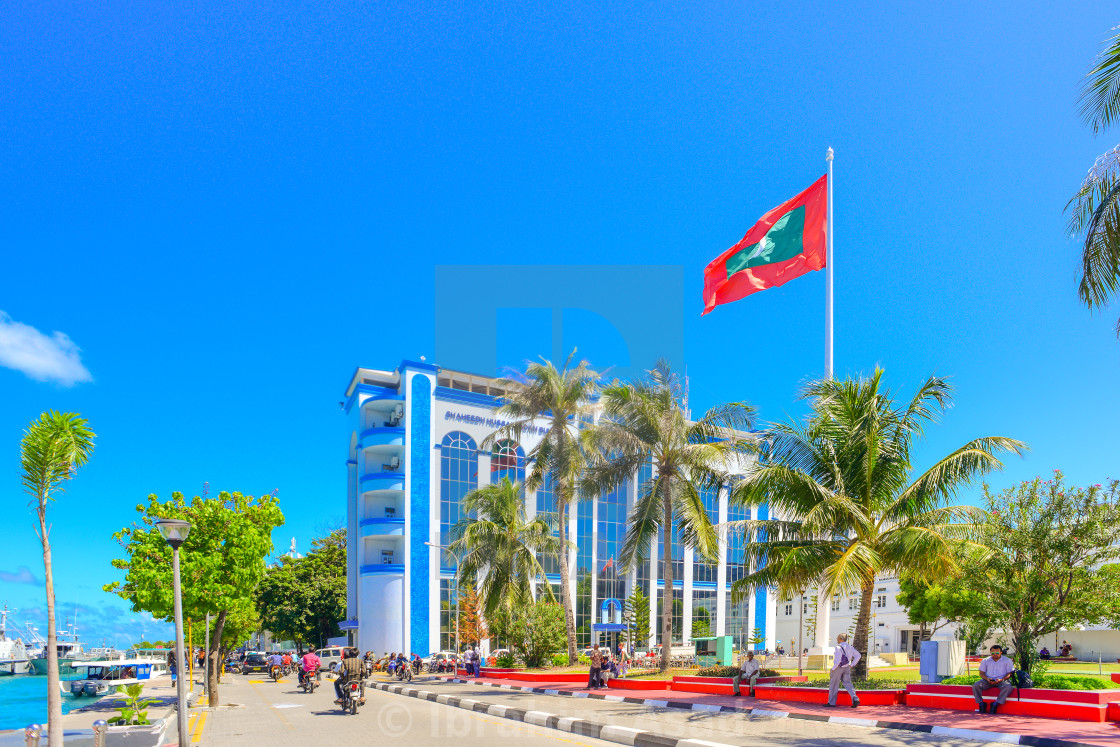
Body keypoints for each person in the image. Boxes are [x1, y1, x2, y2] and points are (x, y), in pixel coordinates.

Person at [972, 644, 1015, 714]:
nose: (995, 654)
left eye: (997, 652)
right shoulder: (985, 660)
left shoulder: (1007, 660)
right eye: (993, 652)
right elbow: (981, 673)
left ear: (1001, 652)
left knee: (1008, 687)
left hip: (1002, 681)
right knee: (976, 685)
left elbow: (1009, 673)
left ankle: (996, 703)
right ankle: (981, 703)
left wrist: (1001, 679)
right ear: (990, 653)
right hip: (988, 680)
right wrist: (987, 679)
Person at [825, 633, 861, 708]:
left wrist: (833, 668)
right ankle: (855, 699)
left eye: (837, 638)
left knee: (834, 685)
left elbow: (838, 661)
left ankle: (831, 703)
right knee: (848, 684)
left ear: (841, 639)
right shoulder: (850, 647)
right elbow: (858, 655)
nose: (837, 639)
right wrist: (852, 664)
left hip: (838, 668)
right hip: (847, 667)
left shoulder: (838, 647)